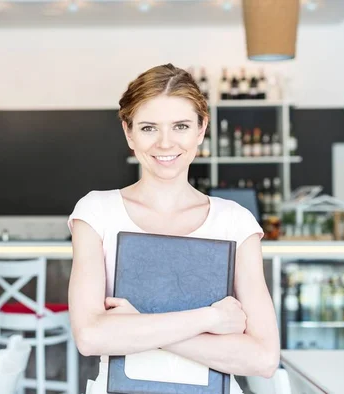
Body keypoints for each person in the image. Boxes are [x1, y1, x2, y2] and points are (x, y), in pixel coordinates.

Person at [67, 64, 280, 394]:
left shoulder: (235, 223)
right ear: (129, 133)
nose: (166, 143)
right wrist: (210, 319)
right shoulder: (97, 212)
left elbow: (263, 358)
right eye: (149, 127)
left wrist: (136, 324)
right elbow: (90, 336)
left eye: (180, 126)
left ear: (200, 129)